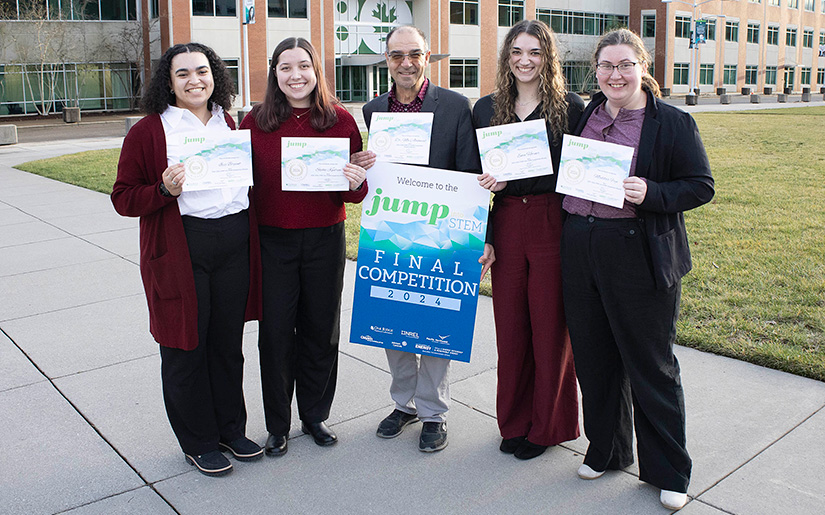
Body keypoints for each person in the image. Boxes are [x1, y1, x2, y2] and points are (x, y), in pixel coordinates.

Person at [561, 28, 714, 511]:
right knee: (594, 358)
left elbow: (700, 185)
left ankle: (669, 470)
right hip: (581, 245)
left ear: (642, 66)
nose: (615, 74)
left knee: (651, 365)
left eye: (625, 64)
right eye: (606, 66)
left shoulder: (671, 123)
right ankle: (607, 450)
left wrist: (652, 194)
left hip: (637, 251)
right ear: (596, 72)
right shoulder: (585, 112)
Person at [111, 42, 263, 477]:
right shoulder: (150, 131)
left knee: (226, 345)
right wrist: (163, 190)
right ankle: (197, 441)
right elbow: (123, 198)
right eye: (183, 74)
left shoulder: (227, 122)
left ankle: (230, 430)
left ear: (215, 74)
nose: (195, 80)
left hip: (232, 243)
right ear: (169, 82)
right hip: (182, 248)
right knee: (185, 346)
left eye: (202, 71)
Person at [240, 37, 367, 457]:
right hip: (271, 240)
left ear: (317, 70)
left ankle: (314, 415)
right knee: (275, 334)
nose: (296, 76)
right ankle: (277, 424)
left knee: (320, 329)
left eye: (304, 66)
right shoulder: (254, 122)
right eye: (285, 67)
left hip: (324, 238)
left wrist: (355, 181)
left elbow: (353, 194)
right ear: (274, 74)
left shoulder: (340, 120)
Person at [357, 25, 481, 453]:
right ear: (386, 60)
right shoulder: (373, 109)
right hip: (392, 231)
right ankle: (403, 403)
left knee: (434, 323)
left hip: (441, 231)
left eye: (414, 54)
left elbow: (467, 170)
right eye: (396, 55)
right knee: (391, 322)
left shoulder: (453, 105)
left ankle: (433, 411)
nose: (406, 63)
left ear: (427, 56)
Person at [472, 19, 583, 461]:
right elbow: (470, 176)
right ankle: (514, 421)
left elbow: (582, 171)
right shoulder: (485, 108)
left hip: (551, 220)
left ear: (547, 57)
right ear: (506, 57)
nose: (525, 60)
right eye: (517, 51)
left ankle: (548, 425)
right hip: (507, 225)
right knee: (512, 328)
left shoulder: (570, 107)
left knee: (551, 326)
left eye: (534, 52)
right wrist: (485, 229)